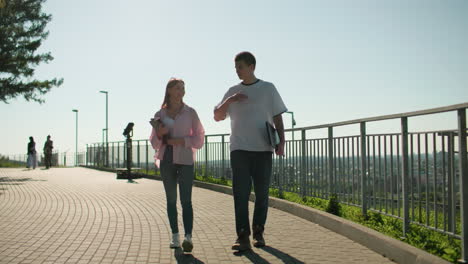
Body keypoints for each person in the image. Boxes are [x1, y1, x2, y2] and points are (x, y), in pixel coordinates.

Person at [214, 51, 287, 251]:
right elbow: (218, 116)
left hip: (263, 149)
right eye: (236, 67)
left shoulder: (268, 88)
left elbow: (278, 118)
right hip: (239, 149)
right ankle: (242, 237)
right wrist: (231, 100)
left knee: (262, 193)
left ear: (252, 66)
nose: (237, 71)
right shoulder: (232, 91)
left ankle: (258, 232)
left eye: (241, 67)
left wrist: (282, 142)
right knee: (240, 193)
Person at [149, 78, 205, 253]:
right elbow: (154, 142)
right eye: (178, 88)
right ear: (169, 91)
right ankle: (175, 236)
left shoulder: (191, 112)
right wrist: (160, 133)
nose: (181, 91)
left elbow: (200, 137)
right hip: (166, 160)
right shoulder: (160, 114)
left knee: (186, 200)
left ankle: (188, 237)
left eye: (183, 88)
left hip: (186, 160)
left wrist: (182, 140)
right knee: (171, 200)